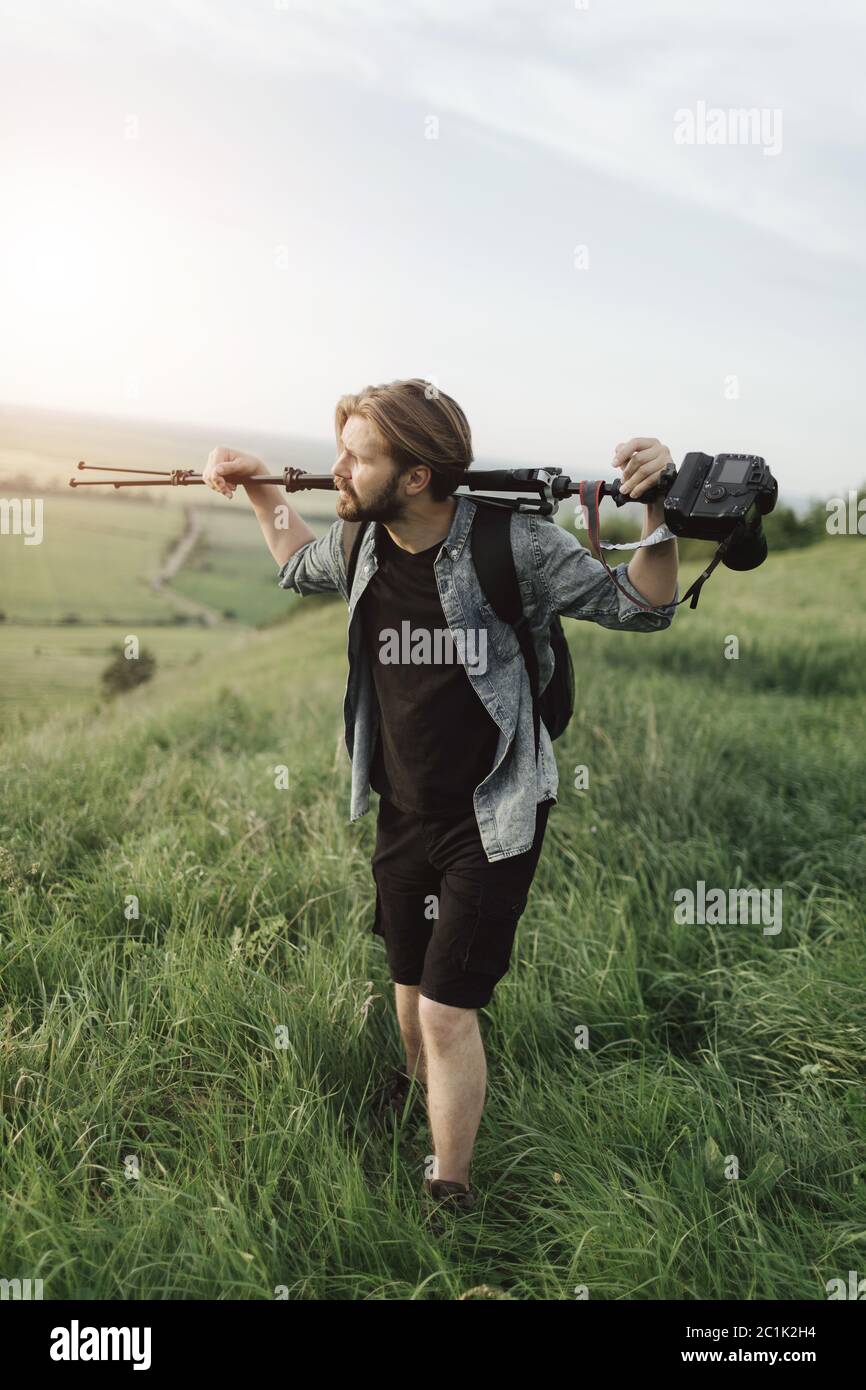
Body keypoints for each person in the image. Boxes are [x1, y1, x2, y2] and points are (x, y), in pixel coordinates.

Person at [202, 379, 679, 1213]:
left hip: (494, 816)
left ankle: (450, 1189)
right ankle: (423, 1099)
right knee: (410, 983)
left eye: (358, 456)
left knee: (449, 1014)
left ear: (417, 476)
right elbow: (293, 567)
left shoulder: (514, 547)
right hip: (402, 808)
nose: (338, 469)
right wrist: (258, 486)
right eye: (341, 449)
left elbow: (641, 608)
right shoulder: (361, 541)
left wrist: (659, 509)